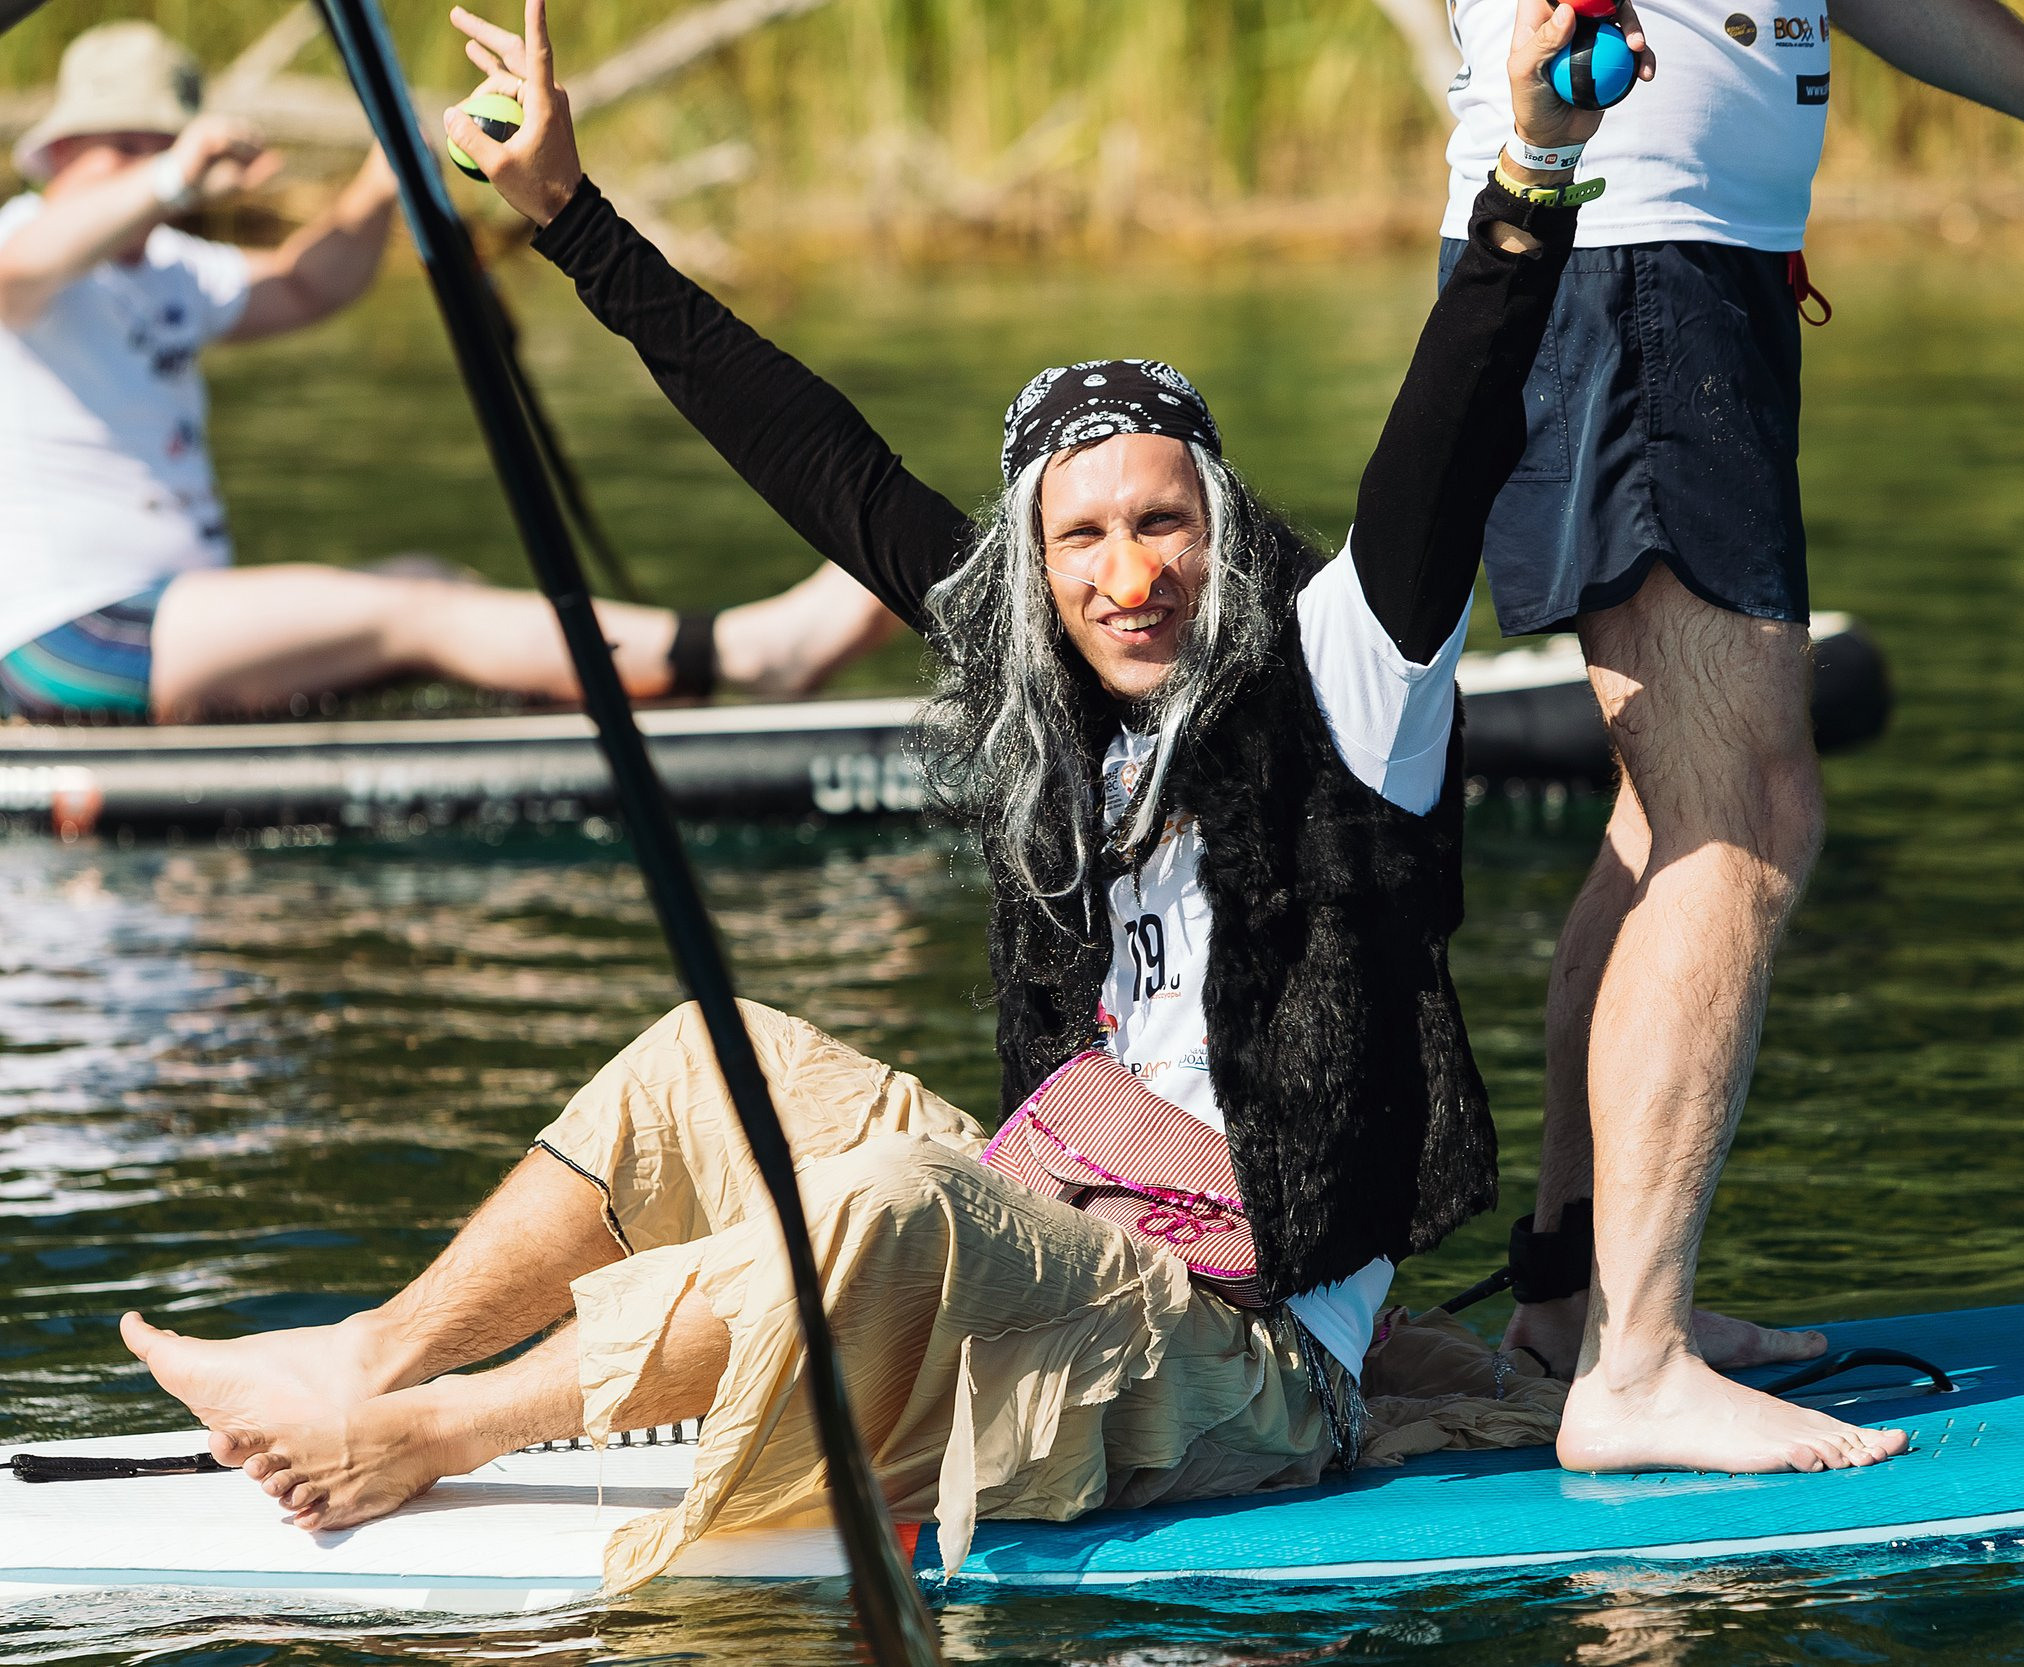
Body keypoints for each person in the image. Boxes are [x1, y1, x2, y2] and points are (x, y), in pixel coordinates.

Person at [119, 0, 1901, 1585]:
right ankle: (368, 1362)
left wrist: (1530, 172)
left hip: (1243, 1356)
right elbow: (812, 451)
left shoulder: (1353, 675)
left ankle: (434, 1439)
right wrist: (572, 219)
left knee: (898, 1199)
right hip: (1065, 1236)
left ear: (1222, 533)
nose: (1130, 574)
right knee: (698, 1058)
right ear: (1036, 571)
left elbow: (1456, 402)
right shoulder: (1035, 673)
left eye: (1164, 526)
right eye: (1085, 540)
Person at [1436, 0, 2024, 1473]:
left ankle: (1576, 1304)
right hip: (1635, 258)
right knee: (1743, 815)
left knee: (1669, 813)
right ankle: (1633, 1369)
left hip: (1685, 267)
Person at [0, 21, 895, 727]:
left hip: (171, 627)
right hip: (66, 641)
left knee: (440, 584)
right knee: (411, 612)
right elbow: (25, 270)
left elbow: (314, 282)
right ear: (60, 154)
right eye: (122, 145)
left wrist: (384, 172)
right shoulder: (22, 239)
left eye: (160, 140)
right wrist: (171, 173)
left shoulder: (166, 266)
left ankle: (622, 716)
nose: (153, 165)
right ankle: (747, 653)